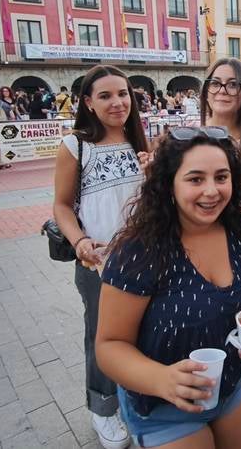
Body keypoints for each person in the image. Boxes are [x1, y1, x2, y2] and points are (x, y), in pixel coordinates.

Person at [96, 128, 241, 449]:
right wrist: (161, 380)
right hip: (162, 408)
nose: (212, 191)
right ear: (169, 184)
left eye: (221, 177)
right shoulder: (139, 249)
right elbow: (109, 346)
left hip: (231, 387)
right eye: (195, 179)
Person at [52, 65, 150, 449]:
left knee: (143, 332)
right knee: (102, 336)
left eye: (123, 94)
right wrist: (79, 240)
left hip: (145, 260)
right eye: (105, 96)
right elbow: (62, 205)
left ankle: (136, 396)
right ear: (88, 103)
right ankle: (103, 409)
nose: (117, 102)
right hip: (99, 263)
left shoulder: (140, 142)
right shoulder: (75, 145)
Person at [199, 58, 241, 163]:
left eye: (233, 84)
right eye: (215, 83)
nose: (222, 91)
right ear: (206, 92)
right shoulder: (186, 134)